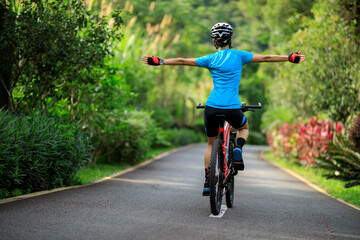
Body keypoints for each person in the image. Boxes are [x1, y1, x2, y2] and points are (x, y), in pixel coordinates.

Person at [142, 22, 306, 196]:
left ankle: (207, 181)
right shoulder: (240, 56)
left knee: (211, 144)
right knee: (243, 128)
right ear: (231, 39)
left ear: (214, 42)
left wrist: (159, 61)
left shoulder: (209, 59)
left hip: (211, 107)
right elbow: (266, 58)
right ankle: (238, 149)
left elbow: (183, 61)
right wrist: (289, 57)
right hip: (233, 108)